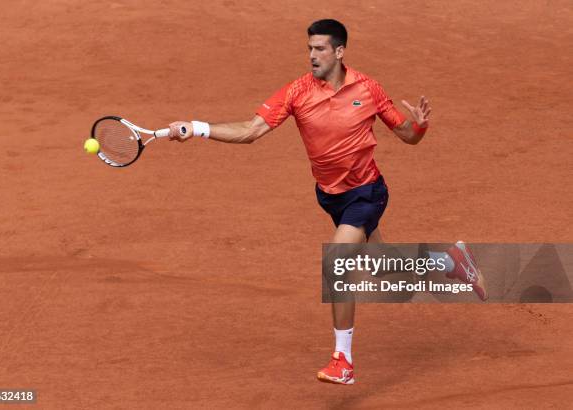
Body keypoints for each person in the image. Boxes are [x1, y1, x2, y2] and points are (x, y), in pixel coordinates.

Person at [168, 19, 486, 385]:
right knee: (384, 268)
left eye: (319, 49)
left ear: (339, 51)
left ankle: (343, 360)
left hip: (367, 192)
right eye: (309, 49)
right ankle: (452, 262)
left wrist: (420, 126)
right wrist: (197, 127)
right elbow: (250, 130)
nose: (312, 55)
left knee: (337, 263)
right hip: (331, 196)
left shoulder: (368, 89)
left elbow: (407, 135)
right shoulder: (297, 92)